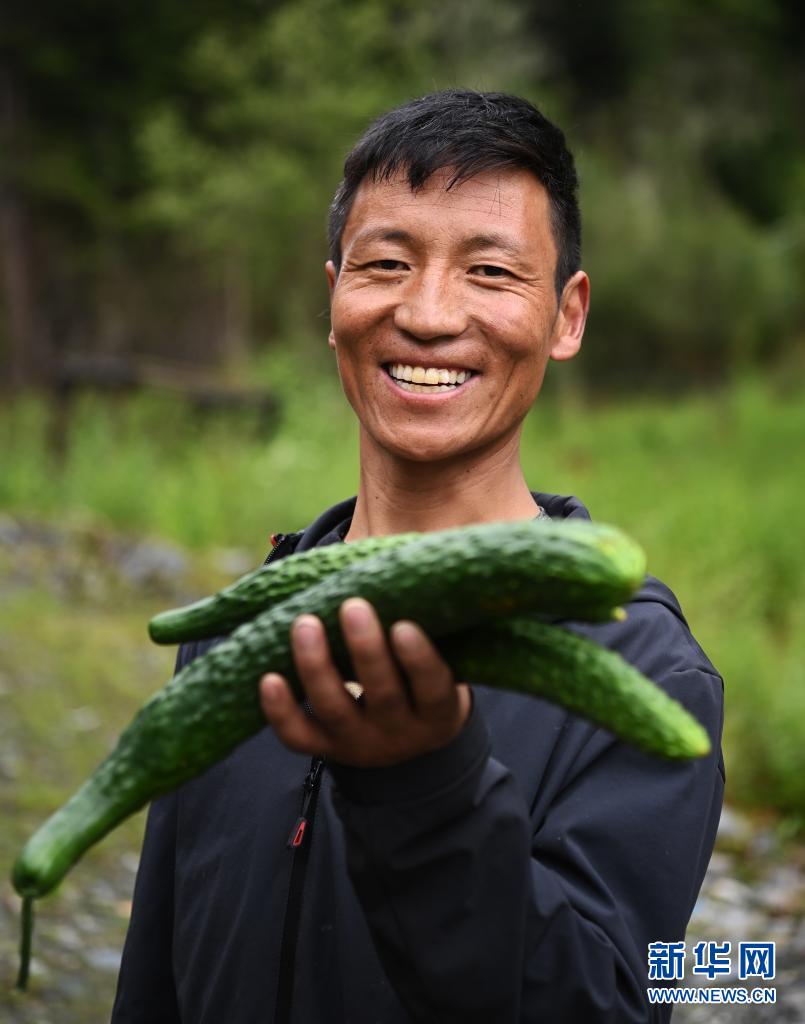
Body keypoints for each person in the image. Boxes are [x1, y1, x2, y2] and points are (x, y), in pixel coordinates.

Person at [112, 90, 724, 1023]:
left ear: (567, 316)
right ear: (333, 300)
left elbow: (611, 1004)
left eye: (489, 272)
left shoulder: (645, 672)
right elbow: (155, 974)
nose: (429, 314)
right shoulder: (242, 627)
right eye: (387, 263)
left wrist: (432, 788)